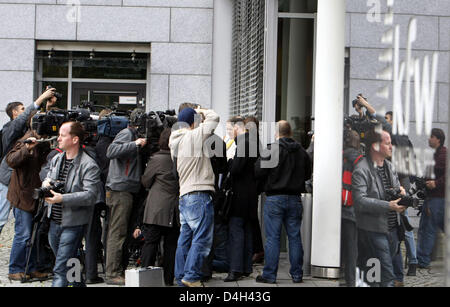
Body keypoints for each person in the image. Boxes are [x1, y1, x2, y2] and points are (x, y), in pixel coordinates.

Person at [43, 121, 101, 287]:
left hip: (74, 223)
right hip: (54, 220)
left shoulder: (89, 165)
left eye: (62, 135)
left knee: (60, 267)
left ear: (75, 139)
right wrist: (46, 184)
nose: (58, 138)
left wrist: (63, 198)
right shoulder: (57, 158)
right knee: (70, 262)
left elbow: (90, 196)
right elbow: (47, 177)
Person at [254, 120, 311, 284]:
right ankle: (297, 275)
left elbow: (258, 171)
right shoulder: (301, 151)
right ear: (291, 133)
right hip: (295, 198)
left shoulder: (272, 149)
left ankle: (270, 275)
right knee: (294, 237)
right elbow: (307, 174)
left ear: (276, 133)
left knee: (273, 238)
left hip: (275, 199)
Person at [169, 106, 219, 287]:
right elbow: (215, 118)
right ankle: (191, 276)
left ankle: (181, 277)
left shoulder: (176, 141)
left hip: (185, 196)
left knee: (185, 239)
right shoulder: (193, 136)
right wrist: (202, 110)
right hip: (198, 195)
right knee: (202, 238)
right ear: (193, 121)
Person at [352, 128, 407, 287]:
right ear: (375, 146)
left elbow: (394, 189)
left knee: (375, 276)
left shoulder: (389, 166)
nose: (392, 147)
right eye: (388, 143)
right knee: (388, 276)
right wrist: (389, 205)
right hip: (373, 230)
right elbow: (360, 201)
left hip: (392, 229)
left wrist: (401, 192)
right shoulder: (361, 169)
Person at [0, 88, 55, 234]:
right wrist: (41, 98)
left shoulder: (25, 129)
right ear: (15, 113)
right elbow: (24, 119)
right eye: (22, 109)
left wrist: (47, 107)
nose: (26, 111)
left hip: (21, 182)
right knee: (1, 219)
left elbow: (34, 121)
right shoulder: (10, 129)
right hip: (8, 180)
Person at [5, 115, 51, 281]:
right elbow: (11, 160)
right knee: (23, 234)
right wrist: (27, 148)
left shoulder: (44, 140)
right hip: (22, 197)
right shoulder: (25, 139)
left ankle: (30, 268)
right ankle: (15, 269)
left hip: (33, 195)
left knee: (33, 234)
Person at [104, 109, 147, 285]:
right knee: (117, 232)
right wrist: (135, 144)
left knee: (123, 232)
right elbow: (111, 151)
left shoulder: (133, 134)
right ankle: (112, 273)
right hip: (120, 189)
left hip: (128, 188)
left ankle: (117, 270)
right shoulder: (127, 133)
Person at [134, 128, 180, 286]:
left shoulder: (157, 159)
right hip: (175, 209)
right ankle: (168, 279)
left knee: (150, 243)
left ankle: (146, 277)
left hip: (156, 209)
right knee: (171, 246)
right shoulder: (180, 158)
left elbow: (146, 181)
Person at [223, 117, 259, 282]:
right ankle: (246, 267)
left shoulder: (244, 142)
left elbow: (237, 168)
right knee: (246, 229)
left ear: (237, 128)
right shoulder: (252, 141)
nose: (229, 133)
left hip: (240, 194)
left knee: (236, 229)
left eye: (230, 129)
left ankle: (235, 269)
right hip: (250, 193)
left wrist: (229, 163)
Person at [385, 110, 418, 278]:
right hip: (400, 180)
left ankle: (413, 261)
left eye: (387, 120)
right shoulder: (404, 139)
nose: (385, 123)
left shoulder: (398, 137)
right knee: (396, 222)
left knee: (403, 222)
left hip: (400, 181)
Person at [417, 128, 447, 269]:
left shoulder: (444, 155)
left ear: (438, 140)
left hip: (437, 199)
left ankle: (422, 260)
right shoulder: (434, 155)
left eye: (432, 137)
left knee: (428, 228)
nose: (429, 139)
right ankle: (422, 259)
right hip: (432, 198)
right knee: (428, 228)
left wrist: (436, 183)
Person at [340, 129, 363, 287]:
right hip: (353, 209)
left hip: (336, 206)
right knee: (351, 247)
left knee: (339, 244)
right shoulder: (361, 160)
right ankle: (350, 280)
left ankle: (338, 276)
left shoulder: (338, 155)